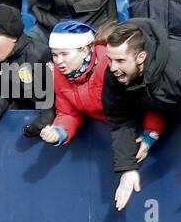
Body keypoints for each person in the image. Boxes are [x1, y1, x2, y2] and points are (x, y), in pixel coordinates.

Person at [102, 20, 181, 211]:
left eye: (120, 61)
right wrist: (127, 167)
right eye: (110, 59)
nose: (113, 67)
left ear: (141, 57)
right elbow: (119, 118)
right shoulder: (116, 75)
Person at [34, 19, 166, 149]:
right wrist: (58, 132)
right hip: (112, 132)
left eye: (64, 54)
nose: (58, 61)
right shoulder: (59, 74)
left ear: (84, 51)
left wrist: (151, 132)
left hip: (143, 127)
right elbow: (68, 113)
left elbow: (148, 98)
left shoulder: (111, 67)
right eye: (55, 55)